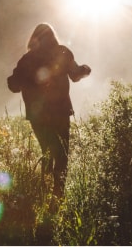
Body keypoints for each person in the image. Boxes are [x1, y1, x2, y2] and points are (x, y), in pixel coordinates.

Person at [7, 23, 91, 197]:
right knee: (61, 154)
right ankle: (57, 195)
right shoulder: (62, 52)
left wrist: (26, 80)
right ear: (53, 36)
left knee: (47, 150)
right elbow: (75, 75)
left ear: (33, 38)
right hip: (60, 111)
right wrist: (85, 70)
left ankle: (44, 193)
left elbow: (13, 85)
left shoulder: (27, 59)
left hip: (37, 114)